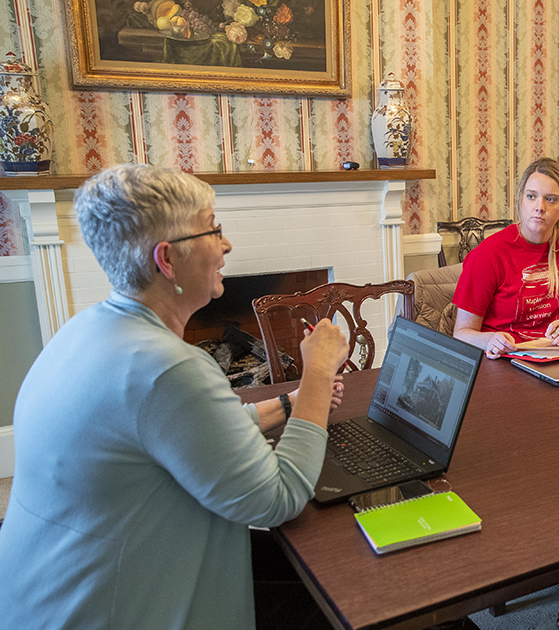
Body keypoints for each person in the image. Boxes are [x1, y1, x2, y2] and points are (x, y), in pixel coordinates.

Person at [0, 165, 350, 629]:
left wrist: (291, 403)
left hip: (35, 595)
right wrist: (320, 372)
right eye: (213, 229)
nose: (226, 245)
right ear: (166, 260)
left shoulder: (86, 329)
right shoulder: (168, 369)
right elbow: (278, 498)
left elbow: (191, 431)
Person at [453, 157, 559, 359]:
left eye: (551, 199)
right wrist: (489, 340)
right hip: (501, 360)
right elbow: (461, 334)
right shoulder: (488, 254)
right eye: (531, 196)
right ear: (520, 199)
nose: (540, 207)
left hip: (549, 357)